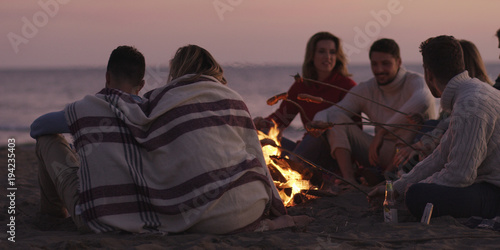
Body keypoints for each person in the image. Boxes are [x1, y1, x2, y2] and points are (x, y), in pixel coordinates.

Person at [31, 44, 288, 234]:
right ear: (141, 84)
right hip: (249, 208)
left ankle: (52, 212)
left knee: (47, 140)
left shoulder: (154, 103)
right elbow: (257, 157)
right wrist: (277, 207)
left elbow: (38, 126)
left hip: (160, 215)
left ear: (107, 78)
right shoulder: (232, 98)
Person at [370, 35, 500, 220]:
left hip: (495, 194)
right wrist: (396, 188)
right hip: (487, 187)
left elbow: (460, 176)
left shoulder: (468, 105)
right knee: (414, 191)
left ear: (428, 74)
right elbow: (439, 156)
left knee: (417, 196)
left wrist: (411, 189)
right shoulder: (472, 93)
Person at [311, 38, 436, 186]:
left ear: (399, 62)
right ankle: (349, 180)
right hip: (379, 153)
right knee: (335, 117)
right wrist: (317, 121)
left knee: (413, 121)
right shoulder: (367, 88)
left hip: (411, 153)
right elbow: (335, 110)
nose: (379, 70)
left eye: (386, 63)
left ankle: (383, 177)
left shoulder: (415, 81)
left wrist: (382, 131)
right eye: (374, 64)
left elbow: (422, 101)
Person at [253, 31, 358, 169]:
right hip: (306, 149)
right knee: (261, 136)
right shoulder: (302, 86)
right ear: (312, 55)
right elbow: (281, 119)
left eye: (332, 52)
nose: (328, 57)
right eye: (321, 51)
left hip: (334, 154)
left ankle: (290, 166)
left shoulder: (347, 86)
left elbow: (355, 129)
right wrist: (257, 125)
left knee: (315, 134)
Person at [392, 39, 493, 172]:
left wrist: (418, 145)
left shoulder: (472, 97)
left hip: (480, 175)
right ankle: (399, 176)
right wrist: (422, 122)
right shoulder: (477, 91)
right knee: (429, 126)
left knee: (431, 129)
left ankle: (399, 176)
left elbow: (450, 124)